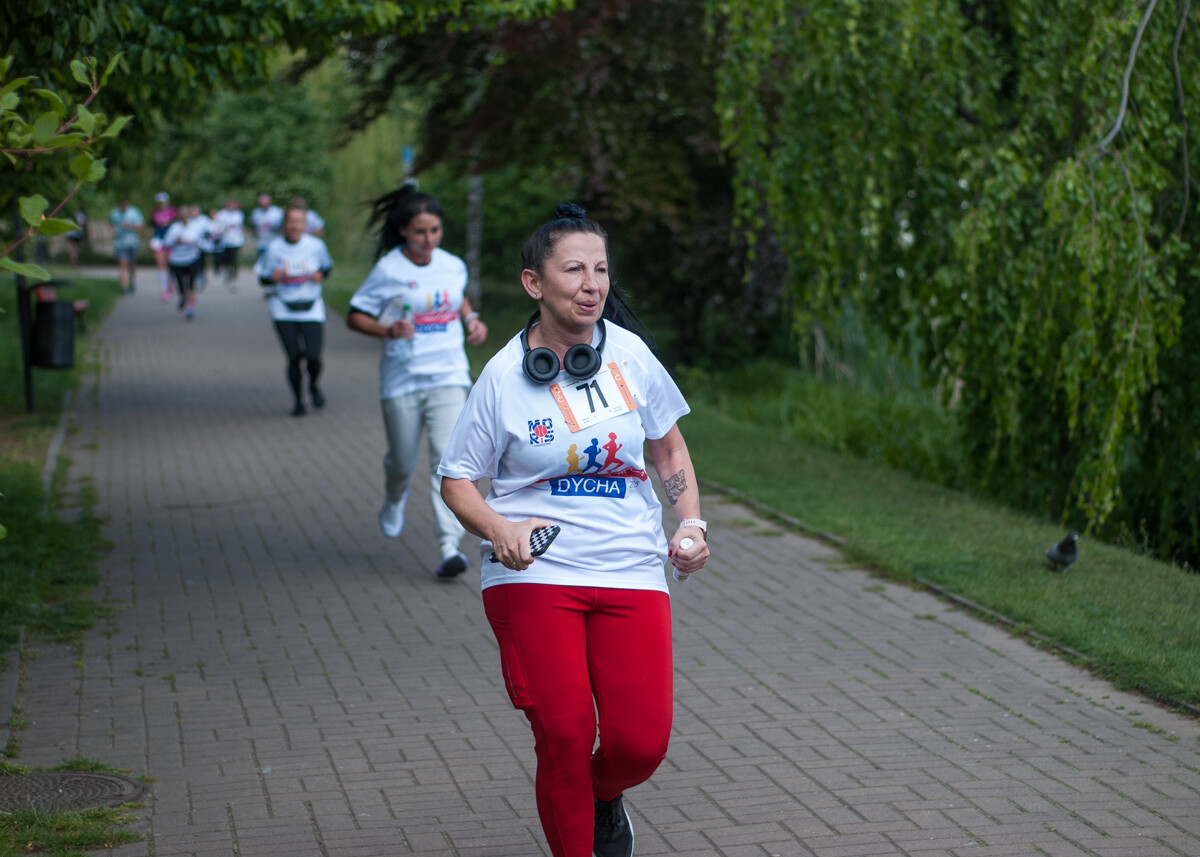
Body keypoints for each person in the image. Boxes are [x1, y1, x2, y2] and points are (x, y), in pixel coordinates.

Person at [437, 203, 710, 857]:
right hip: (536, 571)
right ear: (535, 282)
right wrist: (497, 527)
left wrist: (692, 522)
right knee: (563, 731)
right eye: (574, 270)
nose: (593, 284)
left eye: (601, 269)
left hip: (631, 566)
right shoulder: (503, 376)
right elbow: (456, 479)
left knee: (639, 744)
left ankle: (600, 793)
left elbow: (668, 450)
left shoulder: (632, 357)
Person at [346, 184, 488, 578]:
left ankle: (448, 546)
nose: (429, 240)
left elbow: (456, 296)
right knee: (403, 460)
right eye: (421, 232)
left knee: (448, 460)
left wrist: (470, 318)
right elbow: (354, 316)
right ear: (404, 231)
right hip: (402, 379)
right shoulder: (389, 269)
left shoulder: (452, 264)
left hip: (448, 375)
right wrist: (387, 330)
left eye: (435, 231)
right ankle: (394, 496)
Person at [256, 202, 333, 416]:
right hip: (283, 309)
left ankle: (314, 386)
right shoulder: (274, 248)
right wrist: (272, 277)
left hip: (312, 308)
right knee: (294, 357)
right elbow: (263, 278)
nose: (295, 226)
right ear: (284, 224)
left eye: (299, 221)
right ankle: (298, 400)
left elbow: (327, 268)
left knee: (313, 356)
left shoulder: (316, 246)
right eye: (291, 221)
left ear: (305, 224)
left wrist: (320, 275)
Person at [161, 205, 205, 320]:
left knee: (191, 285)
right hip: (177, 260)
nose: (184, 219)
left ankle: (190, 308)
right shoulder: (174, 228)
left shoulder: (195, 226)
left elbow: (201, 241)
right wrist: (176, 240)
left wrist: (194, 242)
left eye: (186, 216)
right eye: (182, 217)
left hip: (192, 259)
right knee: (181, 284)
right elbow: (166, 242)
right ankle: (182, 297)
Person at [109, 198, 144, 294]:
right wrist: (113, 232)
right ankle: (125, 287)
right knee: (123, 264)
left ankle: (133, 282)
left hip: (132, 243)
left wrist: (130, 226)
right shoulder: (114, 213)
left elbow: (141, 226)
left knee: (132, 265)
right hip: (120, 243)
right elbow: (110, 224)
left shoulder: (134, 211)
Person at [149, 191, 176, 301]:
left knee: (171, 263)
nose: (162, 204)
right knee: (161, 264)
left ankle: (172, 281)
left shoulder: (173, 212)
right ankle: (164, 290)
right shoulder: (154, 213)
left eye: (163, 202)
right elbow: (150, 226)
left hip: (170, 241)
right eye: (160, 202)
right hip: (158, 240)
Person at [213, 197, 246, 285]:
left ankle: (232, 276)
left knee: (233, 260)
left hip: (235, 241)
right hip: (224, 241)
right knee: (223, 259)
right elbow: (217, 226)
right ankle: (223, 274)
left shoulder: (239, 214)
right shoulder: (222, 214)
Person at [250, 193, 283, 262]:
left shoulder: (277, 212)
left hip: (274, 241)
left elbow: (281, 226)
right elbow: (253, 226)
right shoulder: (255, 213)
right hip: (261, 242)